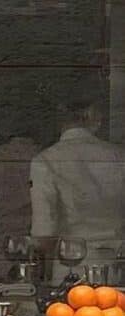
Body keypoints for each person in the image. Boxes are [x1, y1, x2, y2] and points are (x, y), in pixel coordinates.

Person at [29, 96, 125, 286]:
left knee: (72, 314)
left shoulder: (46, 161)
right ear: (92, 115)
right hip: (118, 265)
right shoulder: (119, 156)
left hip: (71, 269)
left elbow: (44, 232)